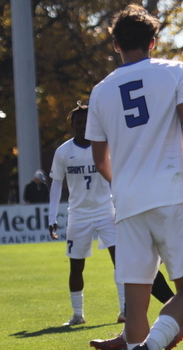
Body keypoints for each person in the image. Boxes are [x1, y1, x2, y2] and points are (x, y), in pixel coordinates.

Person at [85, 4, 183, 350]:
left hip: (126, 205)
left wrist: (124, 186)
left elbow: (98, 158)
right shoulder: (174, 71)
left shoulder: (100, 90)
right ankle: (149, 349)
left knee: (137, 302)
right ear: (153, 41)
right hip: (173, 195)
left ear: (114, 45)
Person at [47, 103, 122, 326]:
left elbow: (118, 178)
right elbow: (56, 185)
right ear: (72, 124)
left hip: (106, 211)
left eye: (87, 122)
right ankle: (77, 314)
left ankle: (125, 309)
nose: (83, 126)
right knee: (76, 266)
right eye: (79, 122)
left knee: (120, 260)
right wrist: (52, 218)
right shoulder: (63, 152)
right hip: (78, 215)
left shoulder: (105, 148)